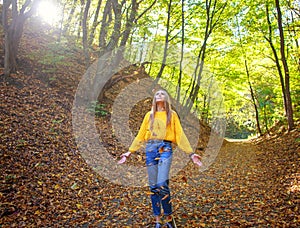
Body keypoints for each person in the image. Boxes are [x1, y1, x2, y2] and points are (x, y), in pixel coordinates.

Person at [118, 89, 202, 228]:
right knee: (153, 187)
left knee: (162, 184)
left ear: (166, 98)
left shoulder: (172, 115)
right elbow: (140, 136)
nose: (159, 95)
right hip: (150, 149)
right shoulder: (149, 115)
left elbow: (179, 135)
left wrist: (191, 154)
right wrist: (129, 152)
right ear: (154, 98)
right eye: (157, 94)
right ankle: (157, 220)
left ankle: (169, 217)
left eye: (162, 94)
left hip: (165, 148)